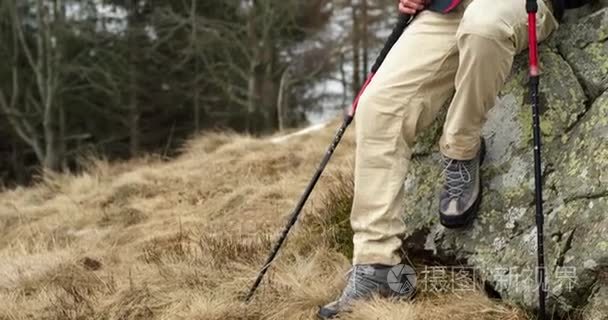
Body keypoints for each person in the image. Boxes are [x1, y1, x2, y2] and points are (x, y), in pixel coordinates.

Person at [319, 0, 590, 318]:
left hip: (514, 6)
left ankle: (462, 148)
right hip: (446, 8)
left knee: (484, 27)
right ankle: (377, 267)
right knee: (378, 105)